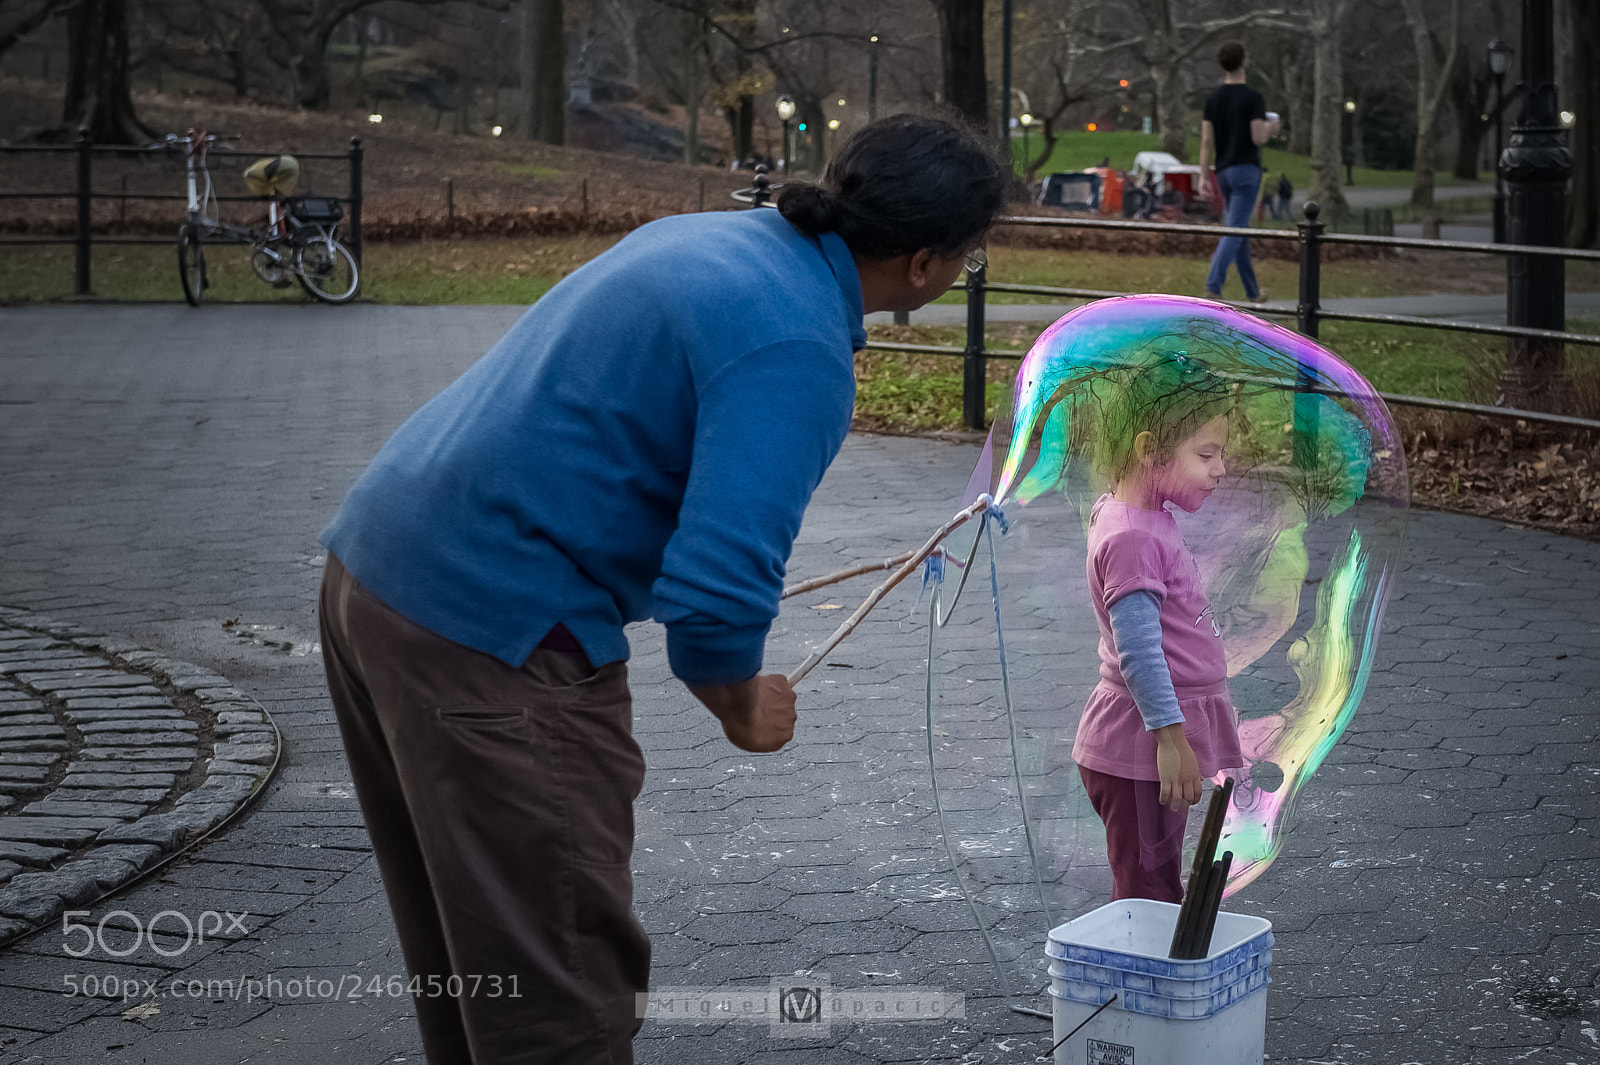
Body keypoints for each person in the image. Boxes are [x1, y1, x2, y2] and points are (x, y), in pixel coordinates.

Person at [316, 114, 1006, 1065]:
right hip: (496, 630)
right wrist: (741, 703)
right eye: (969, 260)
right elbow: (717, 599)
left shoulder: (718, 237)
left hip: (377, 575)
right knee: (559, 995)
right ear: (927, 262)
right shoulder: (798, 342)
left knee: (478, 964)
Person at [1071, 356, 1243, 903]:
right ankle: (1139, 984)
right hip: (1142, 747)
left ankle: (1147, 980)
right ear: (1149, 450)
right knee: (1149, 895)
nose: (1222, 468)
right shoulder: (1132, 537)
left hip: (1148, 743)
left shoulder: (1138, 516)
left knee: (1156, 883)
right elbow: (1139, 652)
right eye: (1206, 454)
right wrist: (1171, 739)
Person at [1196, 42, 1277, 302]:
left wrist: (1201, 175)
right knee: (1236, 230)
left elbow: (1206, 141)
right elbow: (1258, 137)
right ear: (1244, 62)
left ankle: (1253, 292)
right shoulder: (1253, 98)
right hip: (1246, 170)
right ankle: (1213, 285)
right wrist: (1271, 127)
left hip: (1223, 171)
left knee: (1239, 227)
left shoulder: (1213, 99)